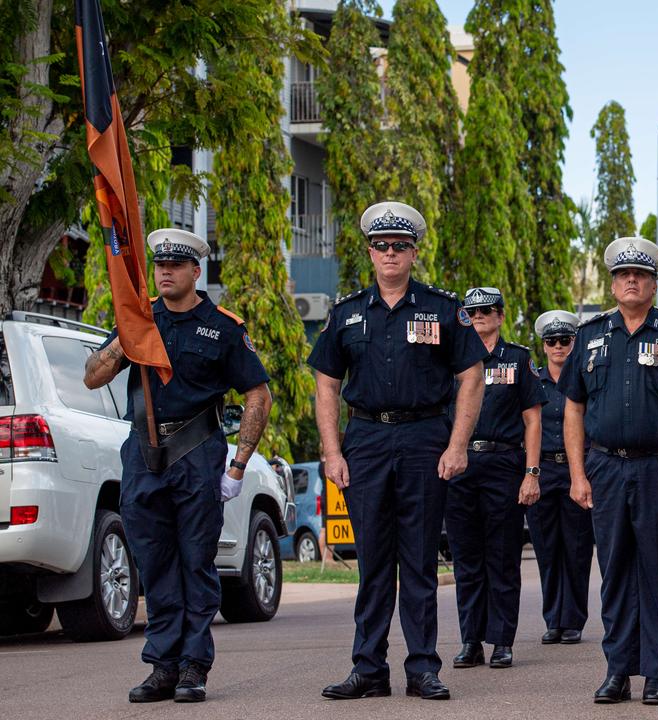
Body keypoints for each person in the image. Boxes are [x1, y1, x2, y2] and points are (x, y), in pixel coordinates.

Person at [84, 228, 272, 704]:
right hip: (144, 453)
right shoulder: (139, 319)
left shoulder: (223, 326)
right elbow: (92, 376)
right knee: (154, 561)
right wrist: (126, 340)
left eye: (174, 265)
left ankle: (193, 665)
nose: (164, 272)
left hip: (196, 451)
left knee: (195, 561)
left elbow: (257, 393)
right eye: (159, 265)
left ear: (195, 270)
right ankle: (162, 665)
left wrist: (237, 466)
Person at [310, 201, 486, 702]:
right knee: (372, 562)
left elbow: (471, 376)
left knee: (419, 561)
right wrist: (331, 451)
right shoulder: (346, 314)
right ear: (370, 251)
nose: (391, 253)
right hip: (364, 441)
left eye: (400, 246)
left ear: (414, 251)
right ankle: (367, 669)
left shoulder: (441, 309)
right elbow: (326, 385)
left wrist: (458, 445)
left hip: (424, 440)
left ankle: (423, 668)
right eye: (382, 245)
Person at [559, 236, 658, 705]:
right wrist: (577, 473)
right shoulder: (589, 336)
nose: (632, 280)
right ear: (612, 283)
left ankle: (656, 673)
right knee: (613, 574)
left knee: (657, 572)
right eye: (623, 274)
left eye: (641, 275)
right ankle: (617, 671)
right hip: (606, 467)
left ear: (654, 283)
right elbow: (572, 408)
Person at [448, 287, 546, 670]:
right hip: (460, 465)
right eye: (471, 313)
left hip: (503, 464)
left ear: (501, 316)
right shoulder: (452, 362)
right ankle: (471, 640)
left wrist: (532, 473)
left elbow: (532, 420)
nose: (479, 318)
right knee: (466, 559)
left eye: (486, 311)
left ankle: (502, 641)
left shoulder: (518, 359)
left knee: (502, 557)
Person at [528, 310, 594, 646]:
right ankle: (553, 618)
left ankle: (574, 620)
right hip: (542, 470)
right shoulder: (533, 380)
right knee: (547, 548)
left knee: (577, 548)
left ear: (575, 342)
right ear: (543, 346)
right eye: (551, 341)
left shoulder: (584, 377)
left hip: (575, 469)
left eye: (565, 340)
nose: (558, 347)